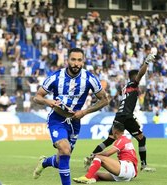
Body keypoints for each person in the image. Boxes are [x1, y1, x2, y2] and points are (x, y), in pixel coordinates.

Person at [32, 48, 109, 185]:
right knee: (65, 150)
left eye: (79, 60)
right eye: (73, 59)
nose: (76, 63)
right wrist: (48, 101)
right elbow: (37, 97)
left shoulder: (90, 79)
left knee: (61, 159)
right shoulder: (56, 77)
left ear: (83, 61)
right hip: (57, 119)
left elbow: (104, 100)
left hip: (74, 123)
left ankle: (44, 162)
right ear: (67, 60)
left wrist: (84, 112)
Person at [84, 46, 156, 172]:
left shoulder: (126, 87)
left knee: (110, 139)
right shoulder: (134, 84)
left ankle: (91, 157)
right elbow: (140, 74)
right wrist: (146, 62)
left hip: (120, 115)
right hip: (126, 116)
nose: (139, 78)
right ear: (134, 77)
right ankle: (144, 165)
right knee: (142, 138)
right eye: (137, 77)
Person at [73, 121, 138, 184]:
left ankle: (87, 177)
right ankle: (90, 179)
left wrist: (95, 155)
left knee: (99, 157)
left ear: (115, 131)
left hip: (127, 168)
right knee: (95, 173)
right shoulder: (126, 139)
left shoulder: (122, 140)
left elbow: (108, 153)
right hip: (126, 172)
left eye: (112, 130)